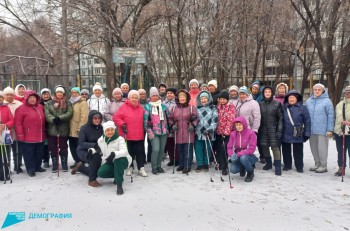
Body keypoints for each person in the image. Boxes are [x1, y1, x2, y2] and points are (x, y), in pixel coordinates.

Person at [114, 90, 148, 177]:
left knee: (140, 152)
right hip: (127, 134)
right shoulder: (123, 107)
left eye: (136, 97)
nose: (134, 99)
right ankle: (130, 166)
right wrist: (122, 124)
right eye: (132, 97)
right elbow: (116, 118)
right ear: (129, 98)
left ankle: (141, 168)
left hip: (139, 134)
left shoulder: (141, 108)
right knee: (129, 152)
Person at [15, 90, 46, 177]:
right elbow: (18, 123)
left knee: (39, 152)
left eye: (34, 98)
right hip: (28, 137)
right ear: (26, 98)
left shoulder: (40, 107)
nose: (32, 99)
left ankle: (37, 166)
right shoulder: (21, 109)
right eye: (30, 98)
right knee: (29, 154)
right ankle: (30, 169)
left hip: (40, 135)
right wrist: (20, 135)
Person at [97, 121, 132, 195]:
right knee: (101, 173)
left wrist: (114, 154)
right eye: (108, 130)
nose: (110, 132)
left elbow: (124, 151)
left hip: (123, 160)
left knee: (117, 160)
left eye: (112, 130)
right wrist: (92, 151)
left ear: (115, 130)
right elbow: (99, 149)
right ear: (104, 131)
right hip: (109, 161)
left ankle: (119, 184)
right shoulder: (100, 140)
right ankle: (118, 174)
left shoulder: (120, 139)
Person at [305, 83, 334, 173]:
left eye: (319, 90)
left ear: (323, 91)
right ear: (313, 90)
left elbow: (331, 116)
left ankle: (323, 165)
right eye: (315, 89)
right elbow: (305, 115)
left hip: (322, 130)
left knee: (322, 148)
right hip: (311, 129)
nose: (317, 91)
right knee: (313, 147)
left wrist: (329, 129)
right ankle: (317, 163)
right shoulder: (308, 101)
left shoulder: (327, 101)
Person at [169, 89, 198, 174]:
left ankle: (187, 165)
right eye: (180, 96)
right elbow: (170, 119)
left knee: (188, 149)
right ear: (178, 97)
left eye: (183, 96)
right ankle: (181, 164)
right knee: (180, 150)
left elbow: (196, 118)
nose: (182, 98)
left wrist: (193, 125)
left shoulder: (192, 108)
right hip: (178, 132)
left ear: (187, 98)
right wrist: (172, 125)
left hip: (188, 132)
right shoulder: (174, 108)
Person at [45, 85, 73, 173]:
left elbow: (70, 113)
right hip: (52, 128)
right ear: (55, 93)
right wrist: (53, 119)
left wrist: (60, 118)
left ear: (63, 93)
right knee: (53, 147)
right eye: (58, 92)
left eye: (61, 92)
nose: (59, 94)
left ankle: (64, 163)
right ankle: (55, 163)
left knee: (63, 147)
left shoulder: (67, 103)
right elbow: (47, 113)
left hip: (63, 128)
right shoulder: (49, 103)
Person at [281, 90, 311, 173]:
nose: (291, 99)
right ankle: (287, 165)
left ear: (297, 98)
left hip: (298, 132)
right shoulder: (283, 107)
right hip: (285, 132)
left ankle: (299, 166)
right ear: (287, 98)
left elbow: (307, 121)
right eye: (290, 97)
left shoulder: (302, 108)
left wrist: (307, 133)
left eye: (293, 97)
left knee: (298, 151)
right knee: (286, 150)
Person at [72, 110, 104, 187]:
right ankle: (91, 180)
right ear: (90, 119)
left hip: (97, 150)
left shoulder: (101, 128)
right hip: (83, 150)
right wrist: (94, 145)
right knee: (95, 158)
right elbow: (81, 143)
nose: (97, 120)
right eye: (95, 118)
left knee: (96, 172)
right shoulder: (84, 128)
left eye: (99, 118)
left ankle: (80, 168)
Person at [258, 86, 283, 175]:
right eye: (265, 92)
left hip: (273, 128)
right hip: (263, 129)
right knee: (264, 146)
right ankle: (268, 163)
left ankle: (277, 166)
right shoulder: (260, 104)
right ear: (263, 94)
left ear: (272, 93)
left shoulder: (277, 104)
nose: (267, 93)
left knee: (275, 147)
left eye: (269, 92)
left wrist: (279, 130)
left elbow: (280, 118)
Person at [143, 87, 169, 174]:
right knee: (156, 149)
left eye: (156, 95)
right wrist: (149, 132)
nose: (155, 97)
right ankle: (154, 167)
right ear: (150, 97)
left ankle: (159, 166)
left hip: (164, 131)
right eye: (153, 96)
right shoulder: (148, 107)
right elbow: (146, 121)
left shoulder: (163, 106)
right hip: (153, 132)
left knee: (162, 150)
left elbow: (168, 118)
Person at [234, 86, 262, 162]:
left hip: (249, 129)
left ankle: (250, 162)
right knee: (240, 145)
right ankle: (241, 161)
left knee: (249, 146)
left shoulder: (253, 103)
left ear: (247, 94)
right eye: (240, 94)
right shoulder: (237, 102)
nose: (242, 95)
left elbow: (257, 117)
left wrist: (255, 129)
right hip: (238, 129)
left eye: (243, 93)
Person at [227, 116, 258, 182]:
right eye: (237, 125)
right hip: (238, 155)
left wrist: (238, 154)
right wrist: (231, 155)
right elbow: (229, 147)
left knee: (243, 158)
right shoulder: (233, 134)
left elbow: (251, 149)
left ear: (244, 124)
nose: (238, 127)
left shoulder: (251, 133)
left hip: (251, 155)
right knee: (233, 170)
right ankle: (243, 167)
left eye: (240, 124)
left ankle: (250, 172)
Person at [194, 91, 218, 172]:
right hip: (198, 132)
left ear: (208, 99)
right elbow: (194, 119)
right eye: (202, 98)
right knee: (198, 149)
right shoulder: (197, 108)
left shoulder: (213, 108)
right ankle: (200, 164)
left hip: (208, 133)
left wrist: (210, 129)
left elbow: (215, 120)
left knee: (207, 148)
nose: (203, 100)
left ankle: (206, 163)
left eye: (205, 98)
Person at [215, 90, 236, 175]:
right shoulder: (218, 107)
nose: (222, 100)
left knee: (224, 150)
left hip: (227, 133)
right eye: (221, 99)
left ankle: (224, 167)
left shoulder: (230, 107)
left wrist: (226, 132)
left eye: (224, 99)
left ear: (227, 99)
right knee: (219, 149)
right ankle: (220, 163)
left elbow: (230, 121)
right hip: (218, 132)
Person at [3, 86, 23, 173]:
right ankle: (7, 168)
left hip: (17, 130)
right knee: (6, 151)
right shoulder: (2, 104)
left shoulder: (19, 104)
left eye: (11, 95)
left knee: (17, 149)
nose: (9, 96)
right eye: (7, 95)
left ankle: (17, 166)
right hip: (5, 131)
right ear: (4, 95)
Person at [69, 87, 89, 169]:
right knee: (72, 146)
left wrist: (80, 128)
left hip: (78, 128)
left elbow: (84, 117)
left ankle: (81, 162)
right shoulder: (70, 102)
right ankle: (76, 161)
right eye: (73, 92)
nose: (74, 94)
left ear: (79, 93)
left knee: (79, 146)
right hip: (70, 129)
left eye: (76, 92)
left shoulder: (83, 103)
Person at [334, 86, 350, 176]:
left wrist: (348, 123)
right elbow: (336, 118)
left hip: (349, 131)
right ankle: (341, 167)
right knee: (340, 151)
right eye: (346, 93)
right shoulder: (340, 104)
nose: (347, 94)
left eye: (349, 93)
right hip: (339, 132)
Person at [0, 91, 14, 181]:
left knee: (5, 155)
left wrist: (4, 125)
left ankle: (5, 173)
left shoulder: (6, 108)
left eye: (1, 97)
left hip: (4, 134)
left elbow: (12, 120)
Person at [163, 87, 178, 166]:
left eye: (171, 93)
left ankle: (177, 159)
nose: (169, 95)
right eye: (168, 93)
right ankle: (171, 159)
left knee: (175, 143)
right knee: (169, 144)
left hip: (174, 124)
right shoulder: (163, 103)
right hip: (166, 125)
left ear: (174, 95)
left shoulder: (176, 103)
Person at [39, 88, 52, 168]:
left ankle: (54, 159)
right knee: (45, 145)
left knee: (52, 145)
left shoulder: (53, 103)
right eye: (44, 94)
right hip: (42, 126)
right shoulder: (39, 103)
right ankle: (45, 160)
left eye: (47, 94)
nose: (46, 96)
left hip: (51, 126)